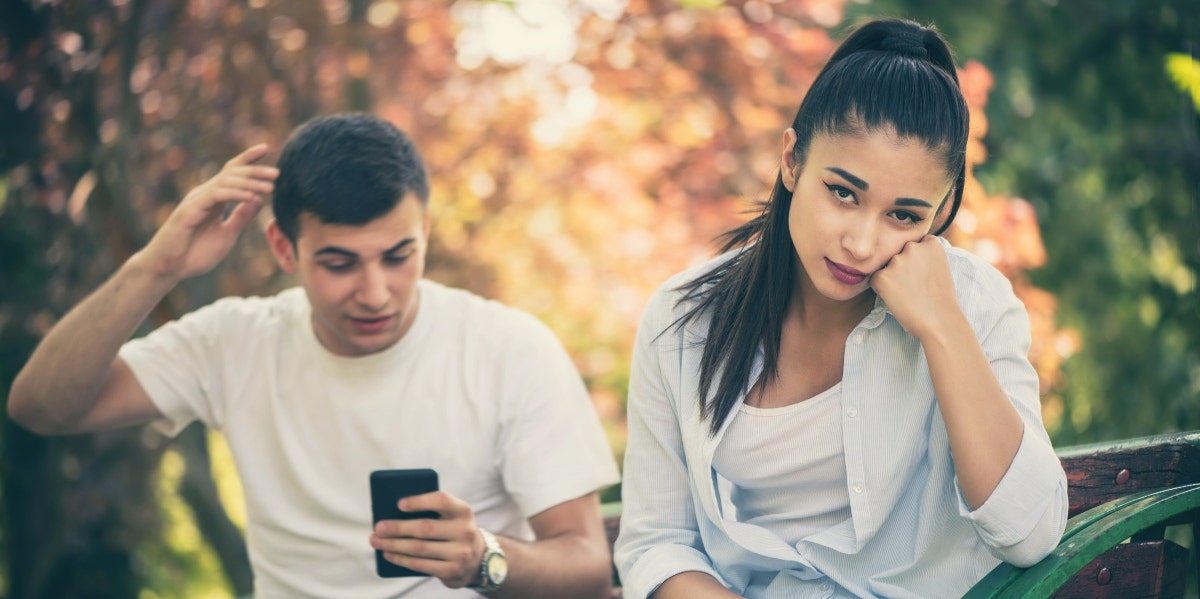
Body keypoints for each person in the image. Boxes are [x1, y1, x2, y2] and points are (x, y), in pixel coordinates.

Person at [8, 113, 620, 598]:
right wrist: (157, 267)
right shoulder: (234, 342)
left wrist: (483, 557)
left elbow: (589, 565)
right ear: (283, 247)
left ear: (425, 230)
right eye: (339, 263)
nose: (376, 292)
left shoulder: (509, 349)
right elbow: (40, 408)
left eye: (398, 255)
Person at [613, 18, 1068, 599]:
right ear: (792, 159)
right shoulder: (684, 321)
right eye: (843, 193)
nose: (861, 243)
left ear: (942, 210)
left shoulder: (973, 303)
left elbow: (1030, 534)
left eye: (903, 216)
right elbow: (655, 542)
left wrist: (943, 329)